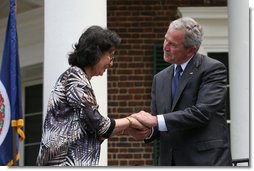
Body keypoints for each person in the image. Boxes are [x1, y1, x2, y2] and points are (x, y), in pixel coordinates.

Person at [36, 25, 149, 166]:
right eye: (111, 56)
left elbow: (92, 129)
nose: (111, 63)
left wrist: (125, 130)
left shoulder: (77, 78)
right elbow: (100, 125)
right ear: (96, 52)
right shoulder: (75, 78)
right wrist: (132, 120)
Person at [129, 17, 232, 166]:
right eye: (165, 40)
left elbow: (201, 113)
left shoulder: (212, 69)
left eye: (172, 44)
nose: (165, 47)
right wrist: (146, 132)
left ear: (191, 50)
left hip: (205, 162)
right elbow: (161, 123)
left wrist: (154, 120)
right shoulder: (160, 78)